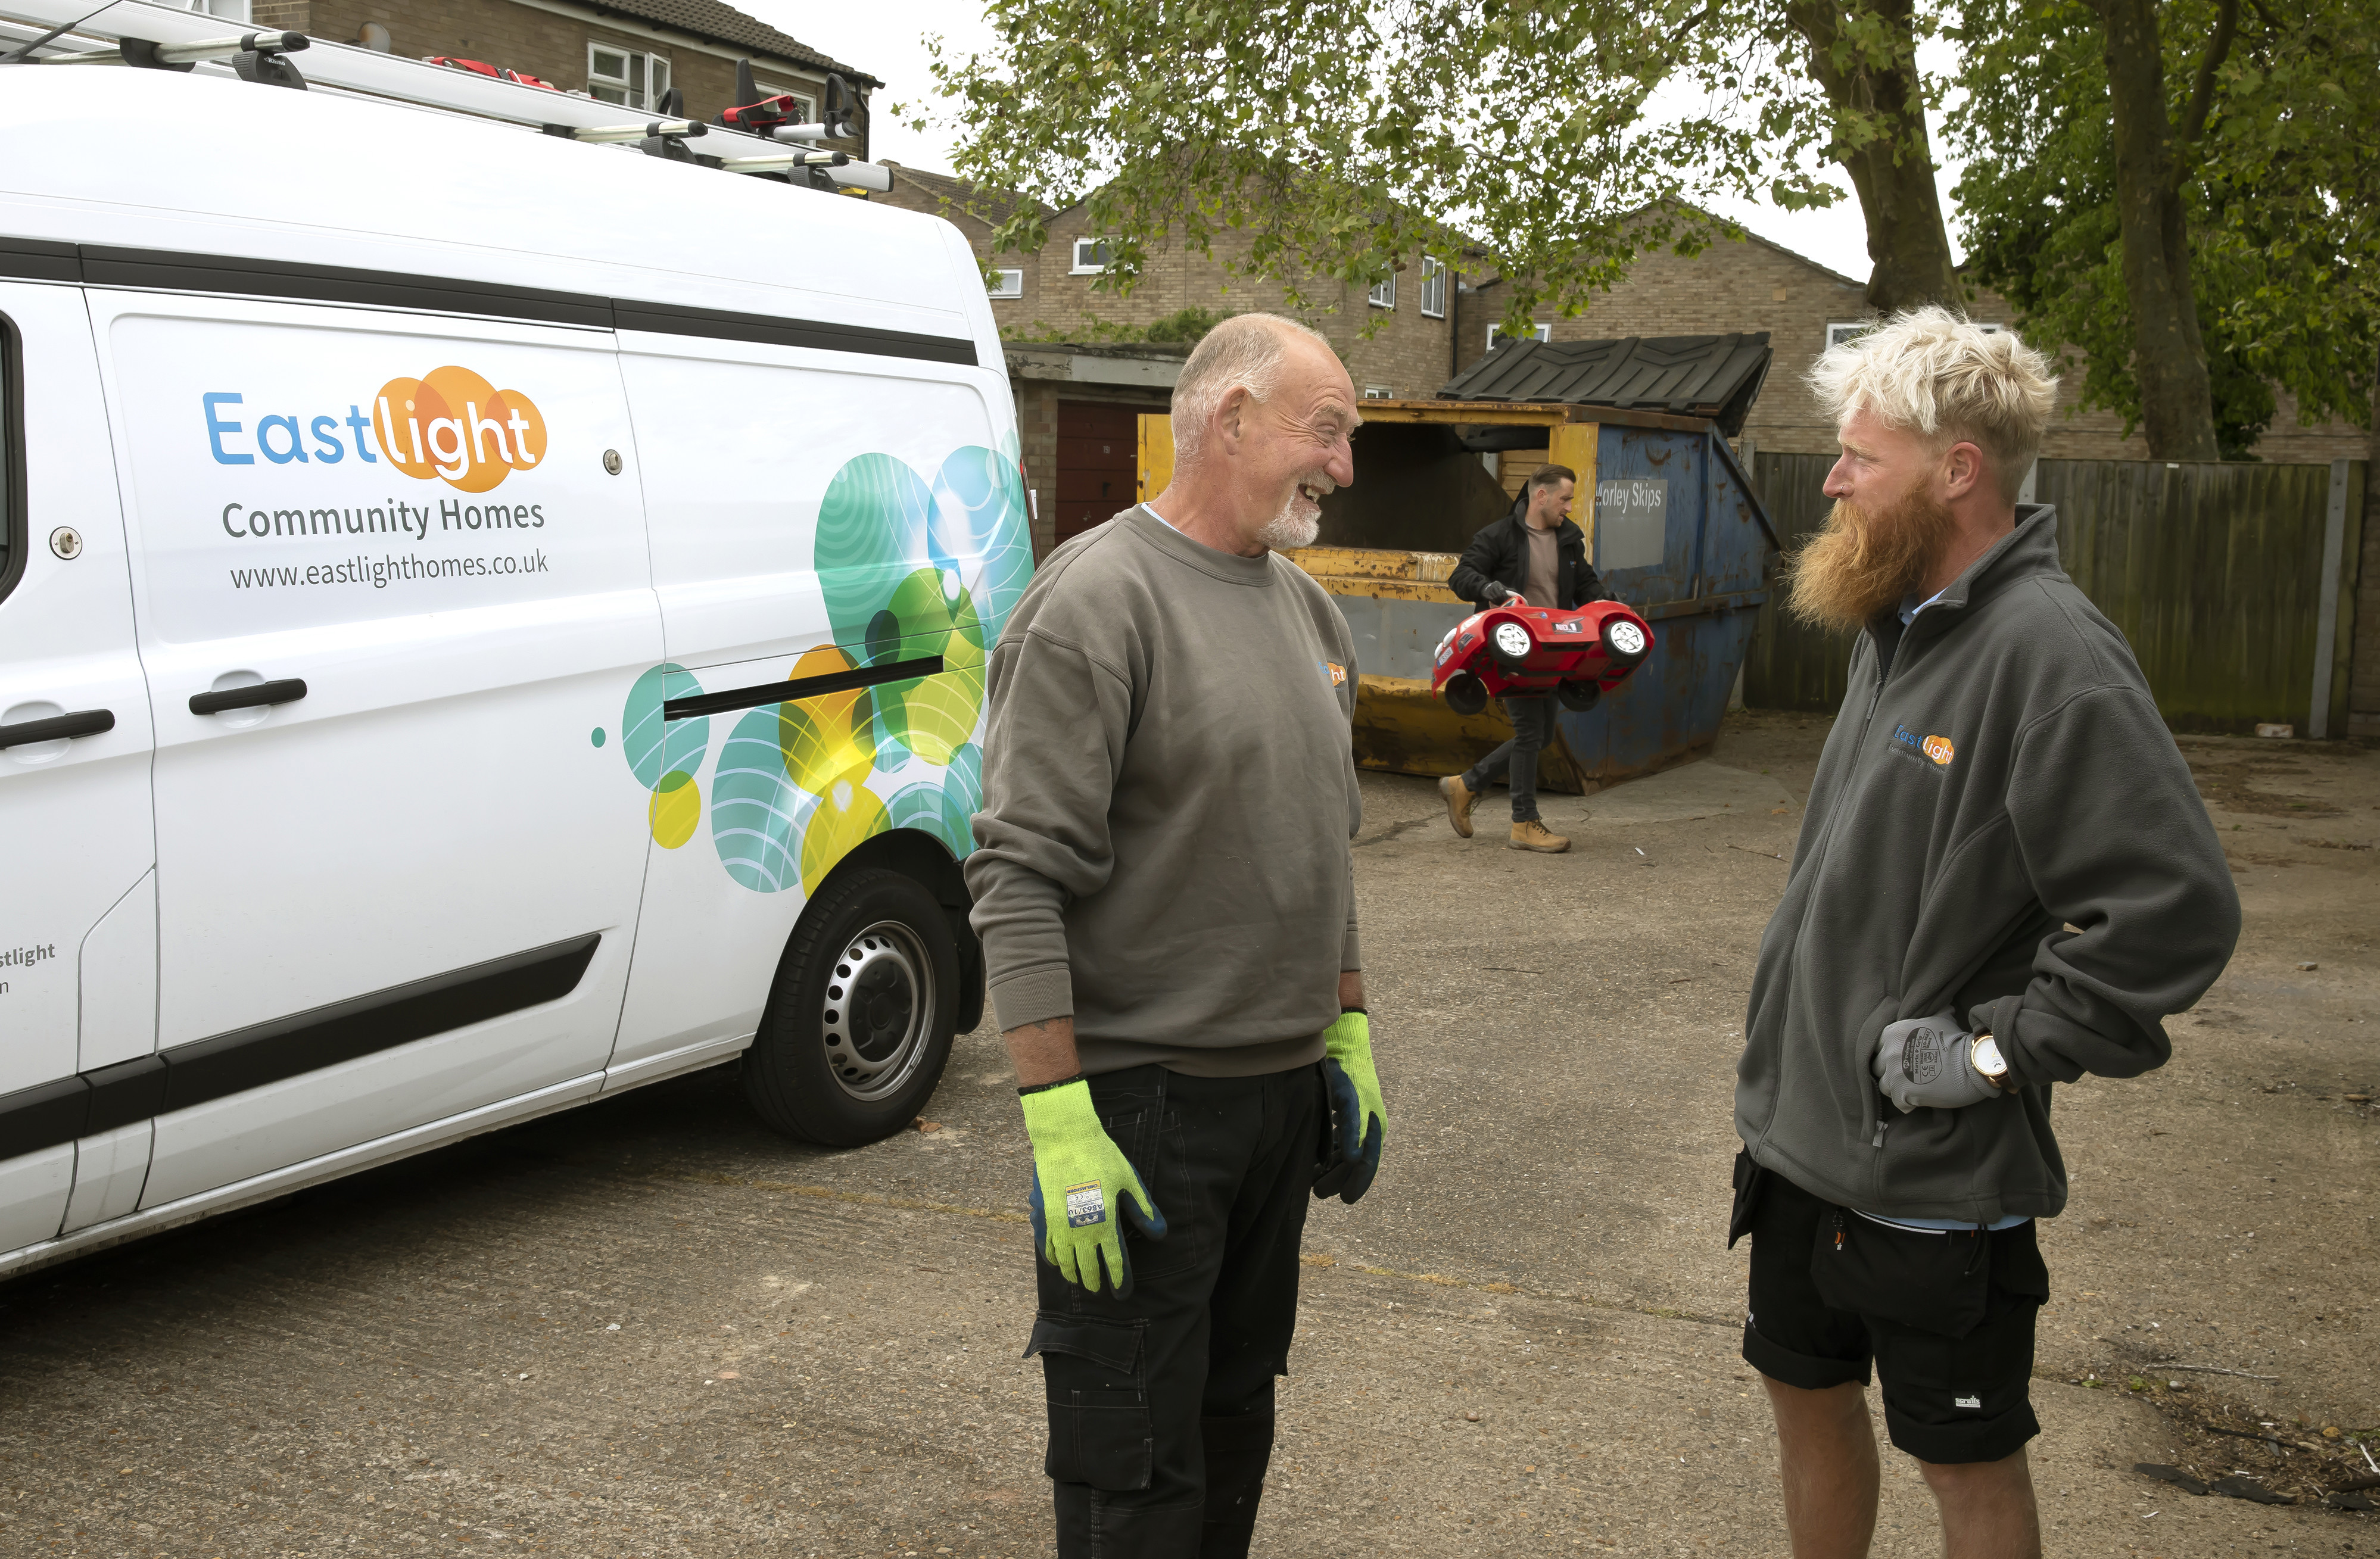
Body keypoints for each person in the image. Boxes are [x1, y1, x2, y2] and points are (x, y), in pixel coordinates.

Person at [1729, 308, 2240, 1559]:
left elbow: (2174, 911)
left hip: (1932, 1183)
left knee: (1968, 1470)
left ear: (1958, 469)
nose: (1835, 477)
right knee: (1804, 1396)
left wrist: (1995, 1054)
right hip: (1801, 1146)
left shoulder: (2053, 657)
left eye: (1862, 456)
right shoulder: (1892, 623)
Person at [965, 313, 1388, 1559]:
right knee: (1132, 1474)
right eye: (1330, 431)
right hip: (1141, 1114)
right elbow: (1017, 874)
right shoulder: (1098, 601)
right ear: (1231, 417)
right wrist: (1057, 1120)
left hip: (1277, 1104)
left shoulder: (1310, 617)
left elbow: (1324, 845)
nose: (1346, 466)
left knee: (1229, 1428)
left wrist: (1349, 1028)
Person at [1438, 463, 1606, 853]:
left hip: (1554, 650)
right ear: (1541, 495)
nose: (1569, 507)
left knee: (1542, 735)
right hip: (1512, 648)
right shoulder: (1498, 536)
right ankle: (1524, 823)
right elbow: (1462, 577)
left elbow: (1585, 584)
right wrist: (1491, 587)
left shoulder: (1568, 540)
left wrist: (1607, 605)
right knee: (1531, 732)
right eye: (1565, 498)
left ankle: (1465, 786)